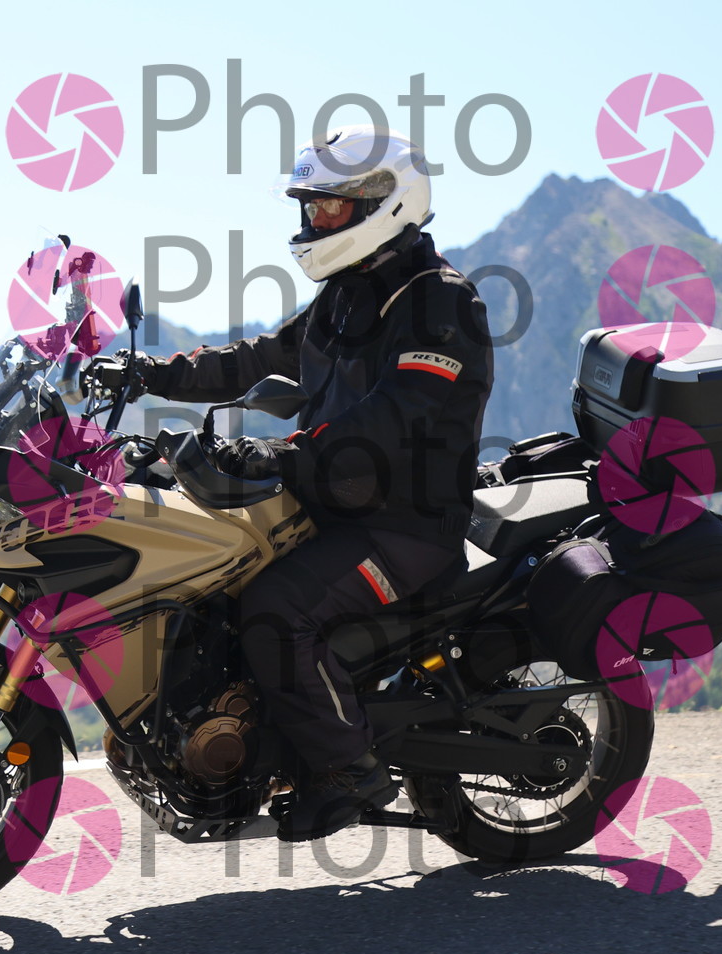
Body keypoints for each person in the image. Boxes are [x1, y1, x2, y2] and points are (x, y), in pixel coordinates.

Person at [105, 126, 493, 840]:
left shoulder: (439, 304)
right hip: (330, 507)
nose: (315, 221)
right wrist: (149, 374)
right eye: (310, 208)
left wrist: (282, 454)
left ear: (385, 203)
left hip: (406, 528)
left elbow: (391, 420)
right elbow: (258, 357)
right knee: (209, 573)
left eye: (330, 207)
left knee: (277, 609)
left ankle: (348, 769)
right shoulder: (348, 293)